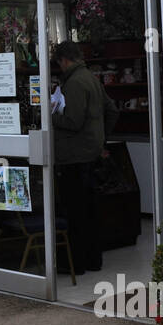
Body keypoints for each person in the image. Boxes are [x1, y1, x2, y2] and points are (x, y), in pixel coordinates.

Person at [50, 41, 117, 274]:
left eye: (59, 63)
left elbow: (72, 121)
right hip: (89, 154)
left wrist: (49, 115)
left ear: (64, 60)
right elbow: (112, 111)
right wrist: (100, 139)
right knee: (89, 210)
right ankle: (92, 260)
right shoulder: (91, 78)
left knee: (75, 212)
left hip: (73, 157)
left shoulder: (74, 83)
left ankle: (75, 263)